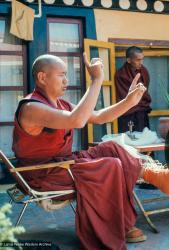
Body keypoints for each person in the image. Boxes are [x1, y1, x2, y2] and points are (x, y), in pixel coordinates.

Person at [12, 54, 169, 250]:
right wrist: (96, 80)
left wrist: (129, 101)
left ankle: (159, 176)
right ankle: (118, 226)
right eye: (61, 75)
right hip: (45, 172)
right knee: (109, 165)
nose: (66, 81)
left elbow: (100, 117)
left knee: (113, 148)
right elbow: (76, 121)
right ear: (42, 78)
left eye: (66, 75)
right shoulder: (31, 108)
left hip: (64, 164)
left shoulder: (62, 105)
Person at [115, 46, 152, 133]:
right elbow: (123, 95)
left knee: (143, 138)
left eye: (142, 59)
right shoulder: (121, 74)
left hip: (141, 112)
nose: (141, 62)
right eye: (138, 60)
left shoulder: (144, 71)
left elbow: (145, 92)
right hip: (127, 113)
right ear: (129, 60)